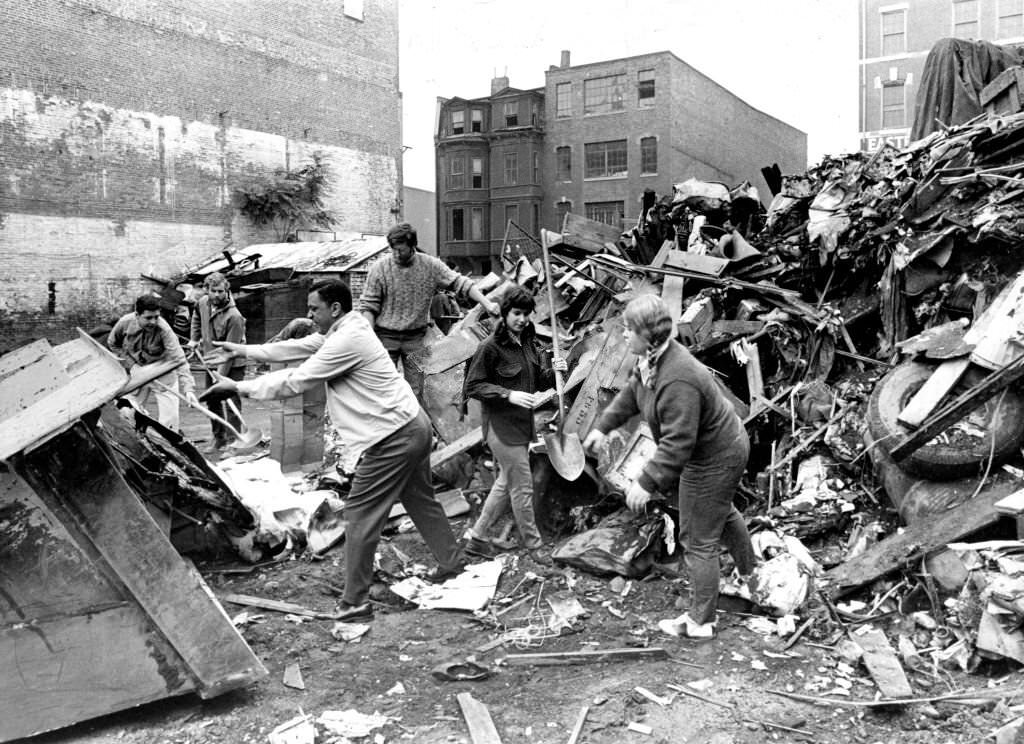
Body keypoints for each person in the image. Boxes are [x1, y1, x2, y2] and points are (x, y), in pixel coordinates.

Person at [201, 279, 468, 622]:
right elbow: (296, 347)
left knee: (358, 516)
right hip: (411, 425)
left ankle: (355, 602)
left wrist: (238, 386)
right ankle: (452, 563)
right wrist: (242, 351)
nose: (310, 315)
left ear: (335, 309)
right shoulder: (347, 328)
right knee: (420, 500)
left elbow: (297, 379)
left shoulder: (346, 339)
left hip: (393, 437)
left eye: (314, 309)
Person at [582, 295, 754, 640]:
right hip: (713, 449)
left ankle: (701, 622)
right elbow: (632, 394)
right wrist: (602, 427)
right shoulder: (651, 361)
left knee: (697, 538)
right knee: (721, 512)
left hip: (716, 455)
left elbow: (678, 443)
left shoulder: (678, 377)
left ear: (651, 336)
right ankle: (750, 575)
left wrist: (645, 482)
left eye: (629, 330)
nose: (624, 335)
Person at [461, 286, 565, 566]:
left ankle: (478, 538)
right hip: (500, 428)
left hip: (521, 426)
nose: (521, 319)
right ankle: (535, 547)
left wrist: (555, 372)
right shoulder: (490, 348)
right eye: (516, 313)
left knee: (506, 483)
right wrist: (508, 394)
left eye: (526, 314)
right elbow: (473, 386)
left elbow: (539, 382)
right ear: (505, 313)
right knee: (523, 488)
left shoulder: (528, 342)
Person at [358, 223, 500, 397]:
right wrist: (367, 336)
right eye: (392, 250)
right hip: (385, 336)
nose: (396, 254)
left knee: (416, 390)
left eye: (400, 250)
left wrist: (487, 304)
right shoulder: (379, 268)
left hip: (416, 338)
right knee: (380, 387)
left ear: (412, 247)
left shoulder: (430, 266)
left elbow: (460, 283)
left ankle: (413, 422)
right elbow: (369, 305)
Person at [108, 293, 198, 431]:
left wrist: (188, 389)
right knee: (126, 411)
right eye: (148, 318)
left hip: (163, 372)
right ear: (137, 315)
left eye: (156, 317)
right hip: (138, 371)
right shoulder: (125, 322)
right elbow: (113, 343)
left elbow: (179, 359)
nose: (154, 322)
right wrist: (131, 365)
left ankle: (169, 447)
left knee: (170, 423)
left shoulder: (164, 330)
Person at [189, 272, 247, 455]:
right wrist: (193, 339)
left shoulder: (234, 316)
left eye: (221, 291)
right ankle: (219, 438)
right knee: (212, 400)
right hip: (210, 360)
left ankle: (234, 442)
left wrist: (220, 378)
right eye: (213, 291)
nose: (217, 295)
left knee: (231, 403)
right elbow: (196, 319)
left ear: (227, 291)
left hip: (233, 364)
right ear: (207, 290)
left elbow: (230, 352)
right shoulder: (203, 303)